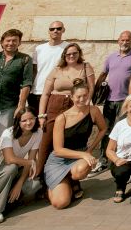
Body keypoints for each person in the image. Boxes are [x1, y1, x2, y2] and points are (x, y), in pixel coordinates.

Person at [44, 78, 107, 209]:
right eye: (78, 96)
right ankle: (59, 183)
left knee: (81, 169)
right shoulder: (62, 118)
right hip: (59, 160)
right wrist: (84, 155)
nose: (82, 99)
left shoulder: (93, 111)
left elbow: (103, 129)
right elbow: (58, 150)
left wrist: (90, 150)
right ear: (72, 97)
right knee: (60, 204)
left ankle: (72, 181)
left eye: (85, 95)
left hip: (79, 158)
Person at [37, 41, 96, 167]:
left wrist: (85, 104)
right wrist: (41, 115)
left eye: (74, 53)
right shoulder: (57, 70)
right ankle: (39, 173)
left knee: (70, 140)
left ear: (79, 53)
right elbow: (45, 93)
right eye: (68, 54)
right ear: (64, 55)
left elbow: (91, 88)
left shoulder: (86, 67)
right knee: (46, 140)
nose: (71, 56)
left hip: (76, 105)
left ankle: (68, 174)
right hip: (55, 104)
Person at [0, 107, 43, 225]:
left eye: (31, 119)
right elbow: (9, 159)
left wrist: (19, 183)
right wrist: (31, 163)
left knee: (34, 184)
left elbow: (30, 160)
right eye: (24, 120)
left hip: (15, 169)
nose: (28, 122)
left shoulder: (38, 133)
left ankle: (5, 203)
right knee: (12, 167)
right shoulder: (8, 133)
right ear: (18, 122)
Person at [0, 28, 34, 139]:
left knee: (3, 139)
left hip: (8, 107)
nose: (11, 43)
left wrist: (21, 105)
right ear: (2, 42)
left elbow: (27, 83)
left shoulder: (25, 59)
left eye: (14, 40)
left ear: (19, 42)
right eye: (8, 40)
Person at [99, 30, 131, 137]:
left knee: (122, 129)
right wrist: (96, 94)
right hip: (109, 100)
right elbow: (103, 75)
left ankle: (118, 148)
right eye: (122, 40)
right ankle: (105, 148)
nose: (124, 42)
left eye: (127, 40)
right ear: (118, 40)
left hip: (125, 100)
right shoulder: (111, 57)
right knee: (106, 129)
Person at [30, 20, 66, 113]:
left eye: (58, 28)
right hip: (37, 91)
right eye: (52, 29)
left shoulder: (68, 48)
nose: (55, 31)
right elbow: (34, 70)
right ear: (48, 31)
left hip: (56, 92)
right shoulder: (39, 49)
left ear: (63, 30)